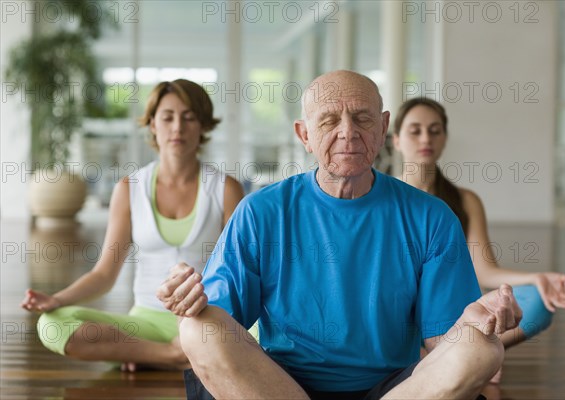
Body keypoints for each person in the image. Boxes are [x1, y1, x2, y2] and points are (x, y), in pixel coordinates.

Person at [157, 70, 522, 399]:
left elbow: (442, 342)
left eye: (362, 118)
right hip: (279, 385)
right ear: (305, 135)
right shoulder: (261, 211)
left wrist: (474, 321)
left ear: (383, 129)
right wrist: (186, 299)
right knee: (196, 328)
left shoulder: (431, 217)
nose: (348, 131)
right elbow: (222, 318)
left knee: (483, 348)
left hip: (396, 389)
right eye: (329, 120)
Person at [21, 79, 244, 371]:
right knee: (53, 325)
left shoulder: (225, 189)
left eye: (189, 117)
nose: (177, 127)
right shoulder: (130, 188)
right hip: (146, 324)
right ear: (153, 124)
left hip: (207, 321)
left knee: (269, 334)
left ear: (203, 125)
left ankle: (156, 354)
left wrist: (206, 313)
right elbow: (104, 274)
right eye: (167, 117)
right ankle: (171, 355)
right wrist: (55, 299)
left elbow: (239, 272)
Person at [392, 97, 565, 381]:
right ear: (396, 140)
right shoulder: (384, 200)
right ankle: (467, 357)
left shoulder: (465, 200)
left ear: (445, 137)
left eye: (435, 130)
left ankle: (461, 356)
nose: (426, 137)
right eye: (415, 130)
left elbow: (484, 270)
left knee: (538, 302)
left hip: (451, 313)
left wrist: (537, 278)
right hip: (403, 316)